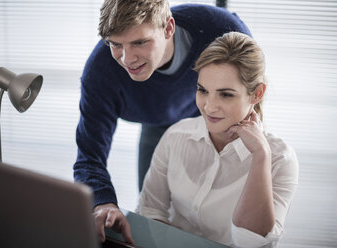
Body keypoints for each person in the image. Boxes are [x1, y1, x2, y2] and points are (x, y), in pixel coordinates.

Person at [73, 0, 251, 244]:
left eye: (139, 42)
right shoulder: (100, 73)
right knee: (152, 219)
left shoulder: (220, 30)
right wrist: (103, 204)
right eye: (115, 44)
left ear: (168, 28)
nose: (127, 59)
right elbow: (89, 158)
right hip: (156, 122)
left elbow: (250, 92)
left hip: (213, 118)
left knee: (218, 216)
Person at [136, 32, 299, 248]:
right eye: (203, 90)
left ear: (257, 93)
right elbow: (149, 212)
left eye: (226, 94)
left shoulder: (279, 159)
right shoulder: (175, 137)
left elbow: (251, 242)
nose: (209, 107)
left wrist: (261, 156)